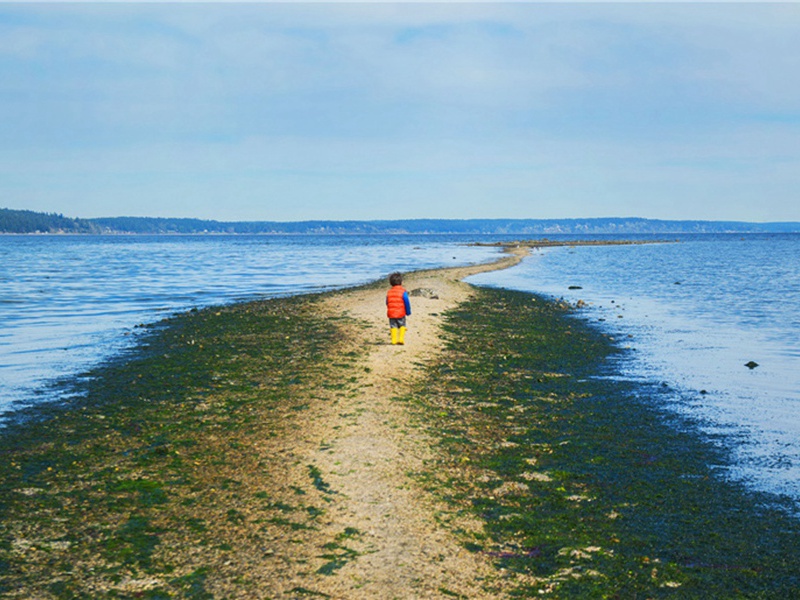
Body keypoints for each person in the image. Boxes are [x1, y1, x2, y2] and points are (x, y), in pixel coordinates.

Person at [386, 272, 411, 345]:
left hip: (391, 312)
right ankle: (401, 339)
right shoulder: (403, 291)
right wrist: (408, 311)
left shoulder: (389, 292)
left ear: (391, 283)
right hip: (401, 312)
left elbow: (387, 302)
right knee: (402, 325)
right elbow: (406, 302)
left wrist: (390, 308)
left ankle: (394, 340)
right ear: (401, 282)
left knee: (393, 326)